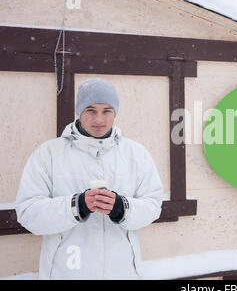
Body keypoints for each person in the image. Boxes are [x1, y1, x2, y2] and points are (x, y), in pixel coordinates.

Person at [15, 78, 164, 280]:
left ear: (115, 113)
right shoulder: (49, 154)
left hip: (121, 273)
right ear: (79, 111)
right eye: (91, 110)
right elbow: (28, 213)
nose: (99, 120)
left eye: (107, 111)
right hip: (66, 273)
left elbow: (153, 206)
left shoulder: (136, 154)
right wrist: (76, 207)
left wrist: (122, 208)